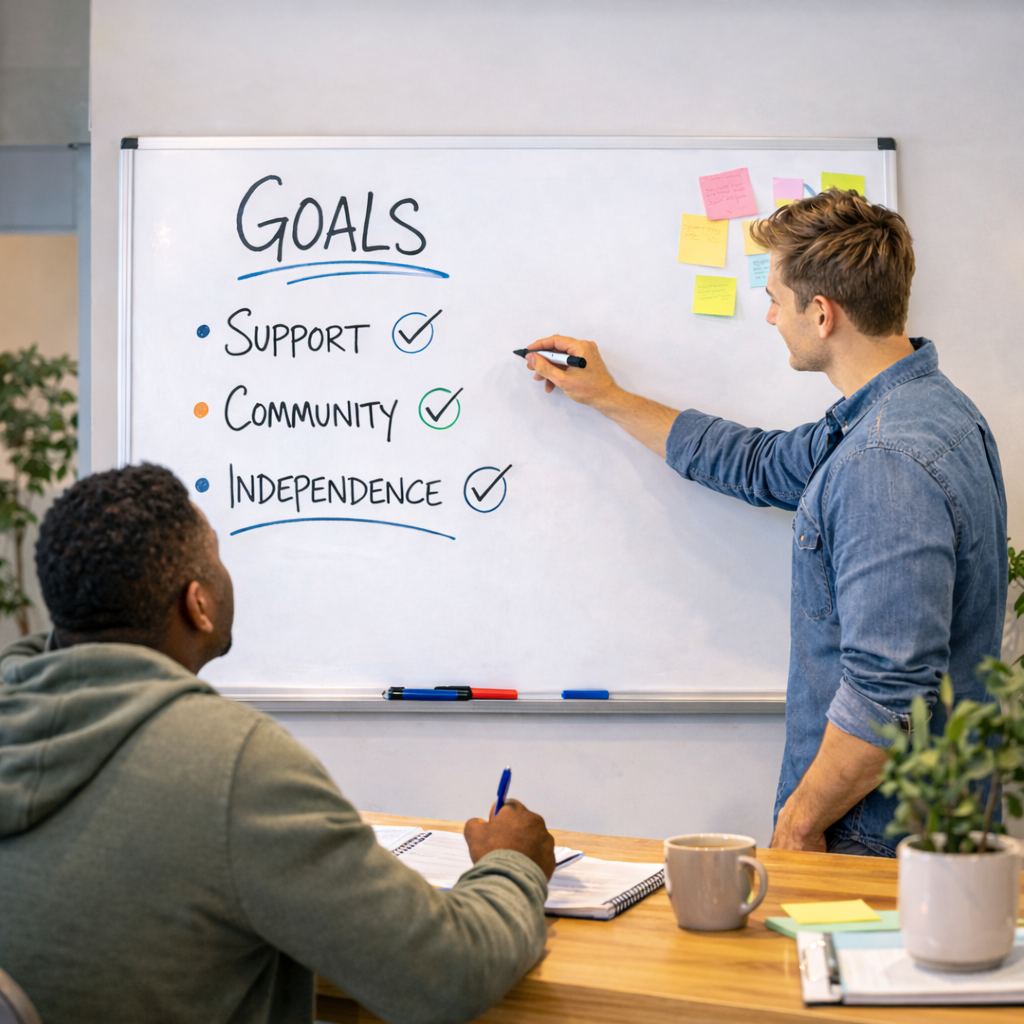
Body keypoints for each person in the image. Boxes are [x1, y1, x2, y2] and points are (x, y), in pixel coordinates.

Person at [523, 189, 1007, 858]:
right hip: (923, 820)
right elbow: (757, 463)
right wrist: (609, 397)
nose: (771, 315)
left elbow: (887, 697)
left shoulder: (885, 461)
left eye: (776, 297)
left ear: (822, 312)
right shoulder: (926, 412)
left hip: (875, 832)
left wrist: (799, 824)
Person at [0, 464, 555, 1024]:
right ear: (198, 603)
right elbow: (447, 975)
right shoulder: (232, 764)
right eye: (216, 554)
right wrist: (513, 864)